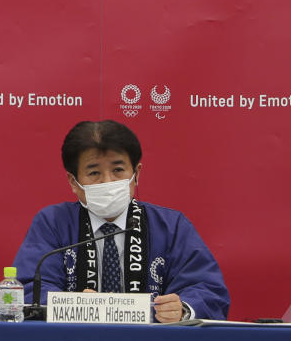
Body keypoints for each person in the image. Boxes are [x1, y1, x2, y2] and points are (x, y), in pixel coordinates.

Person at [12, 120, 229, 322]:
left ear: (136, 174)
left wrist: (183, 309)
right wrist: (72, 304)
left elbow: (207, 289)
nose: (108, 181)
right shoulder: (52, 223)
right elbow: (29, 288)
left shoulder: (171, 226)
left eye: (118, 170)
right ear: (73, 181)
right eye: (94, 172)